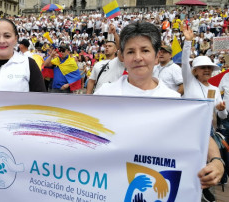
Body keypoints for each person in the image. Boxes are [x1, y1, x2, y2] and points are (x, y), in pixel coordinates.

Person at [94, 21, 224, 196]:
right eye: (131, 51)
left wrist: (216, 161)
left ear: (156, 56)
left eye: (145, 50)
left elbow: (199, 132)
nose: (138, 57)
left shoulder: (173, 101)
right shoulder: (104, 94)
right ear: (122, 57)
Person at [181, 24, 227, 202]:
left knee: (205, 163)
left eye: (209, 68)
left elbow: (220, 116)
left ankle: (203, 190)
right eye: (203, 68)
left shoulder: (215, 89)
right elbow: (185, 61)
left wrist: (221, 110)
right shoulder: (190, 82)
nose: (207, 71)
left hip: (206, 131)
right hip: (187, 128)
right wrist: (187, 42)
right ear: (195, 71)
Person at [86, 24, 124, 94]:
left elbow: (121, 48)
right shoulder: (97, 64)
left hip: (114, 97)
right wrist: (88, 97)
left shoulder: (119, 62)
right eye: (106, 46)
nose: (106, 47)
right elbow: (91, 81)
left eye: (110, 46)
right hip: (98, 96)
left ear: (116, 49)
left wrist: (115, 33)